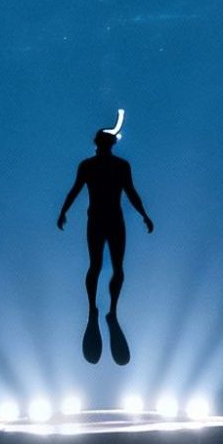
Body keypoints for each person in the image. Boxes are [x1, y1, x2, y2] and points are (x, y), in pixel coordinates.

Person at [58, 127, 153, 364]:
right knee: (97, 266)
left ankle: (110, 312)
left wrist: (144, 214)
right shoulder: (89, 166)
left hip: (112, 221)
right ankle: (95, 309)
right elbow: (75, 190)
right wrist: (63, 211)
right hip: (99, 221)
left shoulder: (119, 166)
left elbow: (131, 192)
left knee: (113, 268)